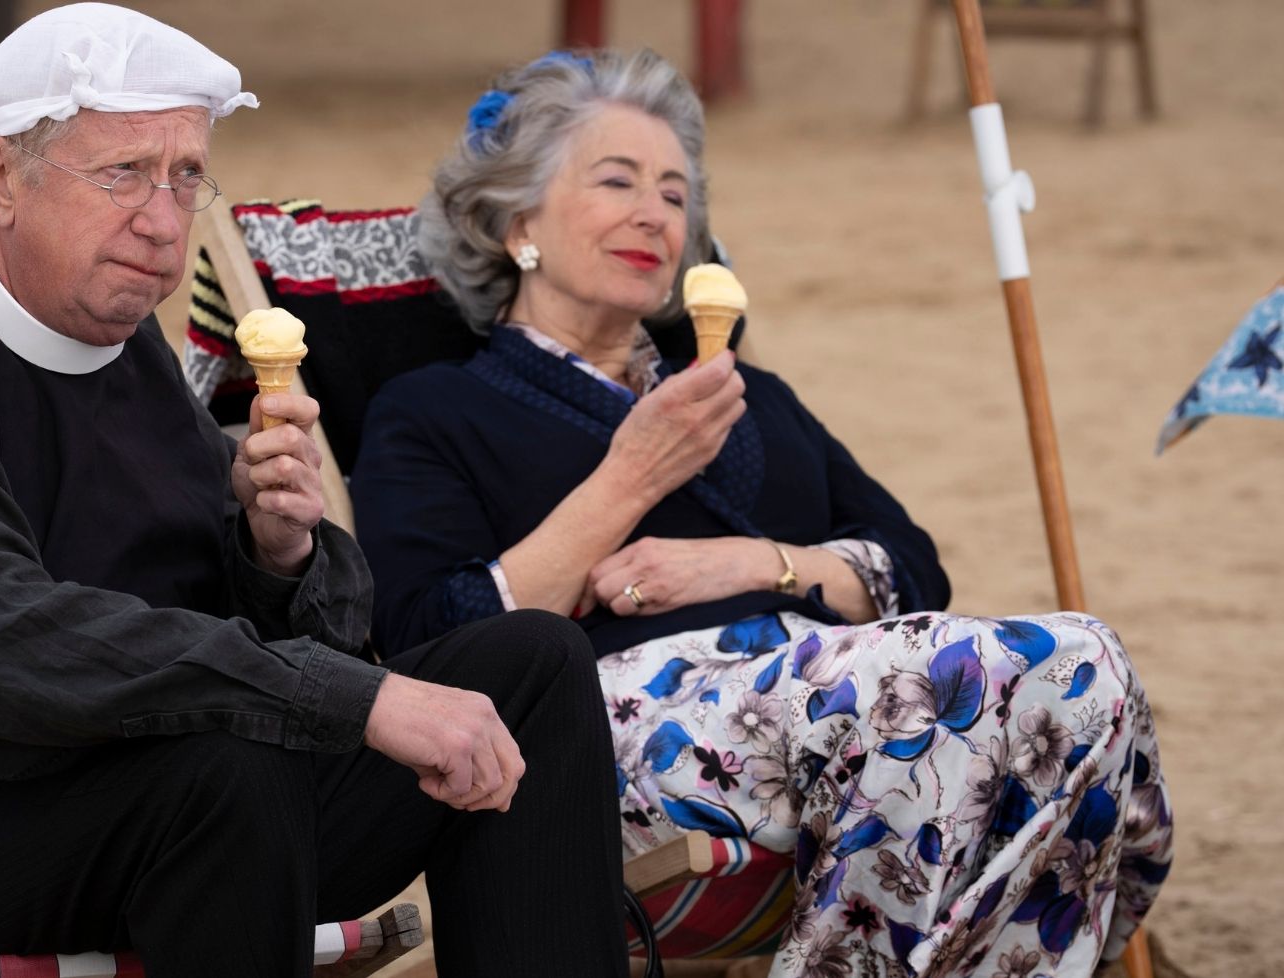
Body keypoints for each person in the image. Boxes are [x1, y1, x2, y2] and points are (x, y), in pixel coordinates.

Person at [0, 7, 627, 977]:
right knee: (229, 760)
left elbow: (236, 627)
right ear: (0, 178)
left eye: (185, 175)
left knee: (525, 670)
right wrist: (347, 698)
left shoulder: (117, 339)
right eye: (123, 174)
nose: (161, 218)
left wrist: (275, 555)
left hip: (141, 811)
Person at [351, 50, 1174, 977]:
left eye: (674, 194)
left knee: (1087, 664)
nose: (654, 214)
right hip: (610, 732)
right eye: (616, 180)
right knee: (968, 685)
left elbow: (911, 565)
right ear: (516, 222)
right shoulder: (436, 408)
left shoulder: (747, 395)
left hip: (852, 705)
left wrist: (750, 563)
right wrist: (630, 477)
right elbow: (424, 632)